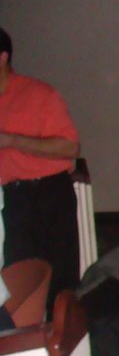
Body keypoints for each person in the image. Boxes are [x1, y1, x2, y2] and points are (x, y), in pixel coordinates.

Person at [0, 27, 81, 318]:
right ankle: (25, 340)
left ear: (2, 57)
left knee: (60, 283)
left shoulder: (39, 94)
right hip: (11, 200)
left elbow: (69, 147)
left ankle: (65, 339)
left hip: (48, 194)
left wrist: (12, 140)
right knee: (19, 283)